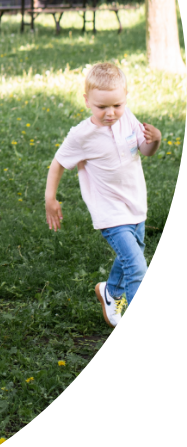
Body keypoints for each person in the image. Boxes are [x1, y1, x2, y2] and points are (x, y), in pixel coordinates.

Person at [45, 62, 161, 327]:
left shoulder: (127, 117)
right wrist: (50, 198)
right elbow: (58, 163)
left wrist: (155, 139)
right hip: (110, 213)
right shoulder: (81, 135)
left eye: (117, 106)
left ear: (126, 98)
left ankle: (110, 292)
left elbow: (145, 150)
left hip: (135, 206)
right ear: (87, 101)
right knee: (138, 268)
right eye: (102, 107)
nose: (110, 113)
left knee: (132, 255)